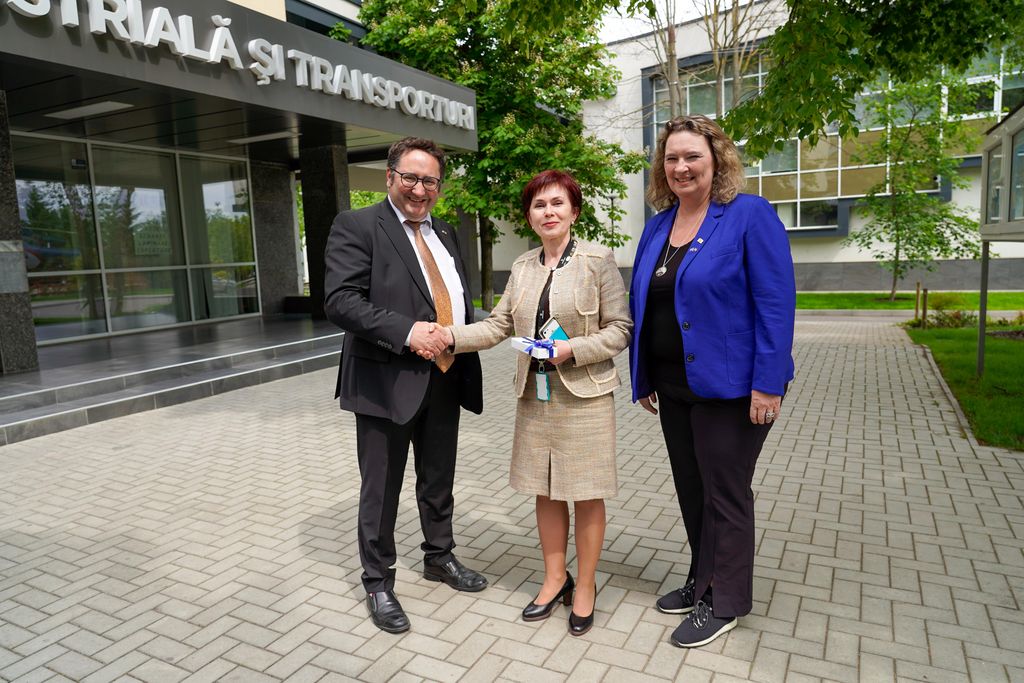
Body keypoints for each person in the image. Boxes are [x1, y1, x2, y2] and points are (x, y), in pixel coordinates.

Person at [436, 170, 631, 636]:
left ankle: (585, 585)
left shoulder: (598, 261)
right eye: (539, 205)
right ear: (529, 215)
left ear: (574, 211)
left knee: (585, 491)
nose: (548, 212)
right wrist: (447, 336)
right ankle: (553, 579)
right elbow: (499, 325)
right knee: (544, 489)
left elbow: (620, 329)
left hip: (585, 395)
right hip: (535, 395)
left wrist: (573, 349)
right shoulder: (523, 266)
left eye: (557, 203)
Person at [628, 115, 795, 648]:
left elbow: (776, 302)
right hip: (674, 386)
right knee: (692, 489)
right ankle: (704, 580)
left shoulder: (747, 215)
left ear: (716, 159)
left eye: (692, 156)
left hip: (733, 388)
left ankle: (725, 602)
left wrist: (768, 383)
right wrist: (645, 373)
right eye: (671, 158)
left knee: (726, 494)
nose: (680, 167)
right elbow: (647, 302)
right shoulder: (658, 225)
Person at [324, 137, 487, 634]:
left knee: (438, 480)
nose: (420, 189)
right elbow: (340, 301)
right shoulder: (357, 226)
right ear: (390, 176)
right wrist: (406, 330)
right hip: (384, 381)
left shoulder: (445, 231)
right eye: (411, 178)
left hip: (445, 376)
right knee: (382, 489)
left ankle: (439, 557)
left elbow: (455, 295)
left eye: (430, 180)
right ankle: (378, 581)